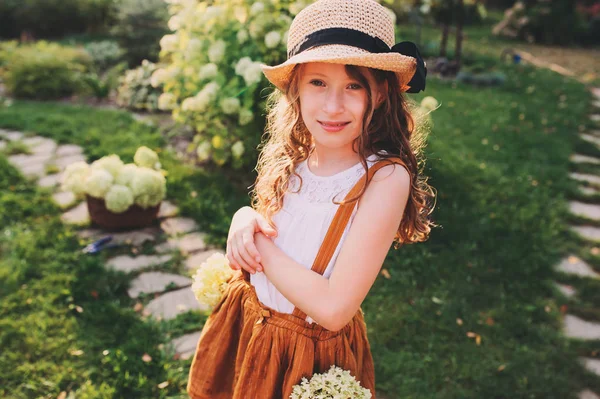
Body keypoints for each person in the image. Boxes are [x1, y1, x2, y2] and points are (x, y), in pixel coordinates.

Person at [186, 0, 437, 398]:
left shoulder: (384, 177)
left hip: (304, 356)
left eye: (354, 86)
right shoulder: (294, 157)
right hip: (247, 326)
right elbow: (276, 227)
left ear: (381, 95)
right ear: (296, 92)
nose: (333, 106)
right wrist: (243, 217)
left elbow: (335, 308)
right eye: (318, 83)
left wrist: (259, 248)